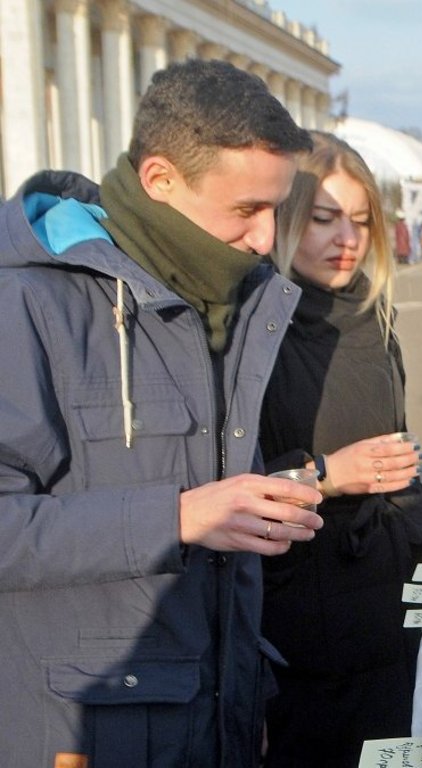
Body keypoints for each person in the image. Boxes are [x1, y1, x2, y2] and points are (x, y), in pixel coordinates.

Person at [0, 59, 321, 766]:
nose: (267, 239)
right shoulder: (23, 299)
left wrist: (243, 695)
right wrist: (179, 516)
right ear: (160, 181)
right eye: (246, 210)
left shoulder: (242, 298)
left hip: (218, 720)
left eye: (278, 208)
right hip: (80, 734)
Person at [257, 132, 422, 767]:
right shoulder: (254, 328)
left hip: (389, 597)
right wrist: (330, 476)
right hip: (302, 617)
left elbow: (398, 460)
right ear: (286, 218)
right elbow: (224, 483)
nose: (347, 239)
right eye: (325, 219)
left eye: (361, 221)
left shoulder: (374, 317)